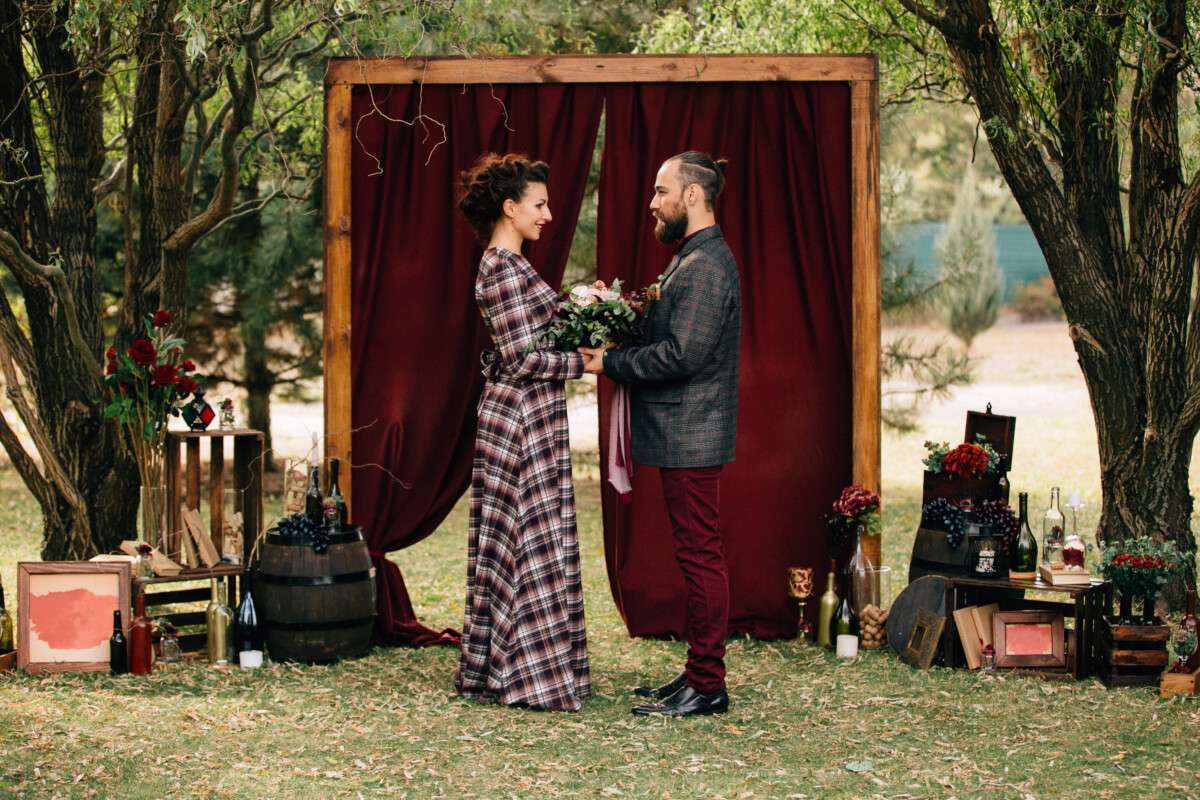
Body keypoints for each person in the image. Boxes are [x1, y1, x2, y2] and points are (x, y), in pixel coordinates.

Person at [580, 150, 741, 718]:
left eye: (660, 191)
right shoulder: (690, 259)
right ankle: (697, 673)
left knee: (700, 556)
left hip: (692, 434)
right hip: (682, 433)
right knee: (694, 553)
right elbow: (667, 329)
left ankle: (708, 684)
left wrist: (611, 362)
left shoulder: (706, 266)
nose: (652, 203)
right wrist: (612, 311)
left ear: (692, 196)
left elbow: (683, 354)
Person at [455, 153, 589, 711]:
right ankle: (522, 674)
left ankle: (534, 667)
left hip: (533, 415)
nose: (549, 215)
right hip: (518, 417)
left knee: (532, 536)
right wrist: (588, 362)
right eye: (539, 205)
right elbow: (522, 356)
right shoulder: (500, 268)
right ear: (510, 209)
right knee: (523, 537)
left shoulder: (514, 266)